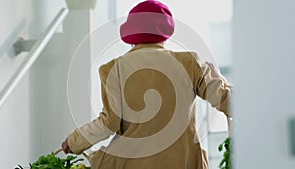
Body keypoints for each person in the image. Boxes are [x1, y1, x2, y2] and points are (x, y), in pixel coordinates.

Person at [62, 1, 232, 169]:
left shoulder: (113, 69)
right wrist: (218, 77)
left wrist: (74, 141)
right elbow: (229, 102)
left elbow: (108, 124)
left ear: (131, 34)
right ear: (166, 30)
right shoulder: (189, 62)